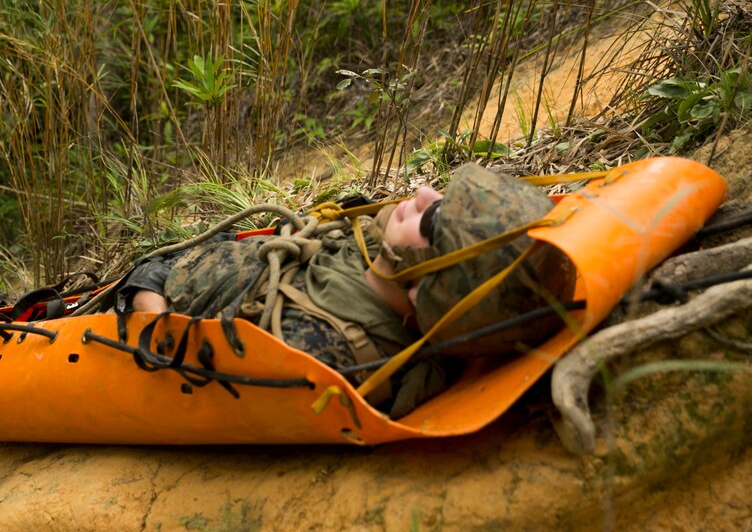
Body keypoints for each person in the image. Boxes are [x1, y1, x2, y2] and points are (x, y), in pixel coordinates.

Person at [120, 163, 576, 418]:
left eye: (435, 220)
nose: (421, 192)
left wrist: (147, 303)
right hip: (207, 266)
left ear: (426, 292)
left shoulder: (322, 350)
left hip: (153, 294)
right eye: (442, 195)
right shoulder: (380, 256)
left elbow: (181, 367)